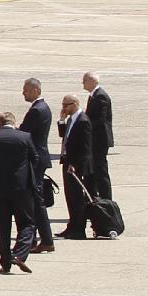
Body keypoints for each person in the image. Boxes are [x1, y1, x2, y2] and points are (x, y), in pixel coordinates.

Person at [0, 110, 38, 273]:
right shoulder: (24, 137)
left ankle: (5, 263)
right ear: (14, 123)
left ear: (0, 124)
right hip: (21, 188)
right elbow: (35, 158)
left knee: (3, 227)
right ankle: (19, 255)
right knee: (27, 223)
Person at [19, 78, 57, 253]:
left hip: (35, 160)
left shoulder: (37, 110)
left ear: (35, 90)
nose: (23, 93)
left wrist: (6, 126)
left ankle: (44, 239)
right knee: (33, 200)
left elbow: (24, 132)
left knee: (35, 200)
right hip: (38, 158)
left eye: (26, 90)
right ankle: (34, 239)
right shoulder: (42, 108)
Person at [57, 93, 96, 240]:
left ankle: (79, 229)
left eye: (65, 105)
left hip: (76, 166)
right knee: (70, 196)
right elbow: (64, 135)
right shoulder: (72, 119)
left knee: (77, 198)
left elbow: (85, 148)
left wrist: (75, 164)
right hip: (68, 162)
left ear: (74, 104)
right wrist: (61, 120)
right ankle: (72, 226)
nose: (63, 108)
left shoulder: (83, 121)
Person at [82, 72, 114, 200]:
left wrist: (84, 123)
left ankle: (107, 200)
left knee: (100, 171)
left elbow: (100, 119)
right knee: (93, 170)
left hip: (99, 140)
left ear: (92, 81)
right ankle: (94, 197)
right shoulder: (94, 95)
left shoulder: (100, 96)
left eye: (84, 80)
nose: (82, 83)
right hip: (94, 140)